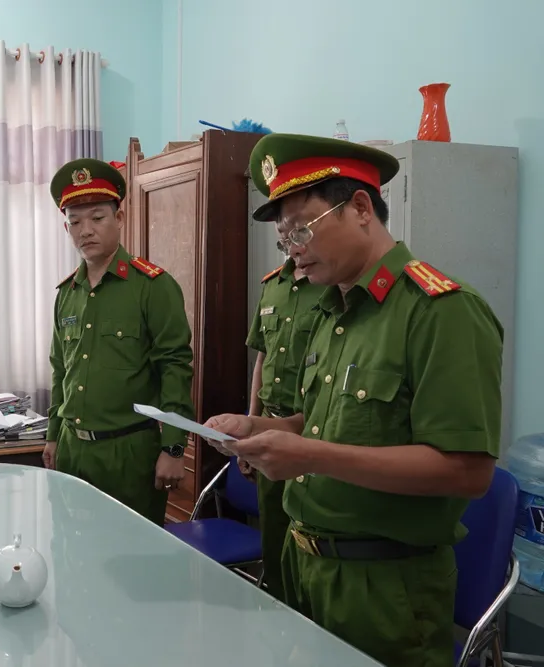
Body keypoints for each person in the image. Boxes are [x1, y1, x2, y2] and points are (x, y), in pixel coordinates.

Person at [205, 133, 502, 667]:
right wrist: (266, 430)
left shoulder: (440, 312)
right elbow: (327, 425)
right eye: (284, 237)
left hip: (384, 589)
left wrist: (311, 456)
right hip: (305, 567)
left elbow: (466, 471)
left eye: (302, 228)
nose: (293, 246)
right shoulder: (330, 312)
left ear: (361, 208)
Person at [43, 158, 195, 524]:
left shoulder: (153, 287)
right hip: (72, 447)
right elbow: (60, 370)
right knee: (70, 553)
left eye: (97, 218)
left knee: (131, 564)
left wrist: (174, 447)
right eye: (75, 222)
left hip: (128, 452)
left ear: (120, 219)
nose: (86, 231)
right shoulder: (68, 293)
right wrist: (52, 437)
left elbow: (175, 369)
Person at [246, 253, 326, 597]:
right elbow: (261, 361)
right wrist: (252, 423)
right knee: (274, 544)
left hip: (314, 433)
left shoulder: (329, 284)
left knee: (309, 555)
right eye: (285, 232)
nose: (291, 240)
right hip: (271, 428)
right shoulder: (272, 286)